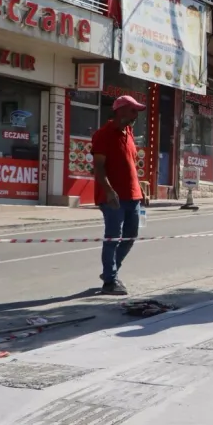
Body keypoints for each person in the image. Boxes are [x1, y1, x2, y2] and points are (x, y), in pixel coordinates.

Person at [92, 95, 149, 295]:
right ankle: (110, 281)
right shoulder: (104, 134)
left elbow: (131, 165)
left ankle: (111, 270)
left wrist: (140, 189)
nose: (136, 116)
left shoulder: (129, 133)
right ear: (121, 110)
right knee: (113, 238)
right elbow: (98, 167)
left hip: (132, 196)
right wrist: (108, 191)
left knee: (131, 236)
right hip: (113, 197)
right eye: (133, 111)